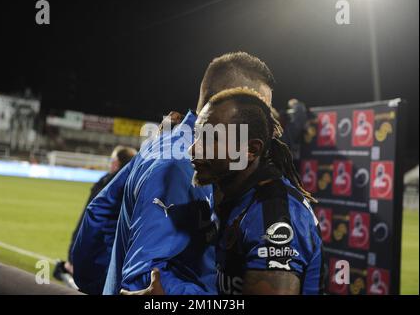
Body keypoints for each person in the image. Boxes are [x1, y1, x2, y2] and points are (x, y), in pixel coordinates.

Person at [72, 52, 281, 295]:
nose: (266, 124)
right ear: (225, 100)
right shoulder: (188, 165)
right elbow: (147, 282)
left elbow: (100, 212)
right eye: (257, 109)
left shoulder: (163, 143)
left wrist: (104, 286)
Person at [124, 88, 323, 295]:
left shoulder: (273, 215)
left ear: (251, 150)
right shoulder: (238, 198)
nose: (193, 149)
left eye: (210, 139)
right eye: (197, 136)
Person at [55, 145, 136, 280]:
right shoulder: (135, 186)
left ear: (116, 163)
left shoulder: (106, 185)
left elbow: (88, 220)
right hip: (122, 258)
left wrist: (73, 255)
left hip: (100, 254)